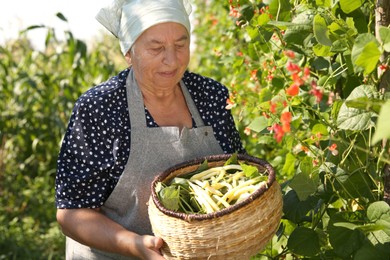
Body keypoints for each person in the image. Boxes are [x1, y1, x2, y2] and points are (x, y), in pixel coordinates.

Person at [55, 0, 246, 259]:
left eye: (181, 45)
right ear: (129, 52)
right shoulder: (100, 108)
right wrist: (135, 245)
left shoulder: (210, 96)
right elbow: (72, 212)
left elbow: (236, 174)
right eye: (156, 48)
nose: (171, 59)